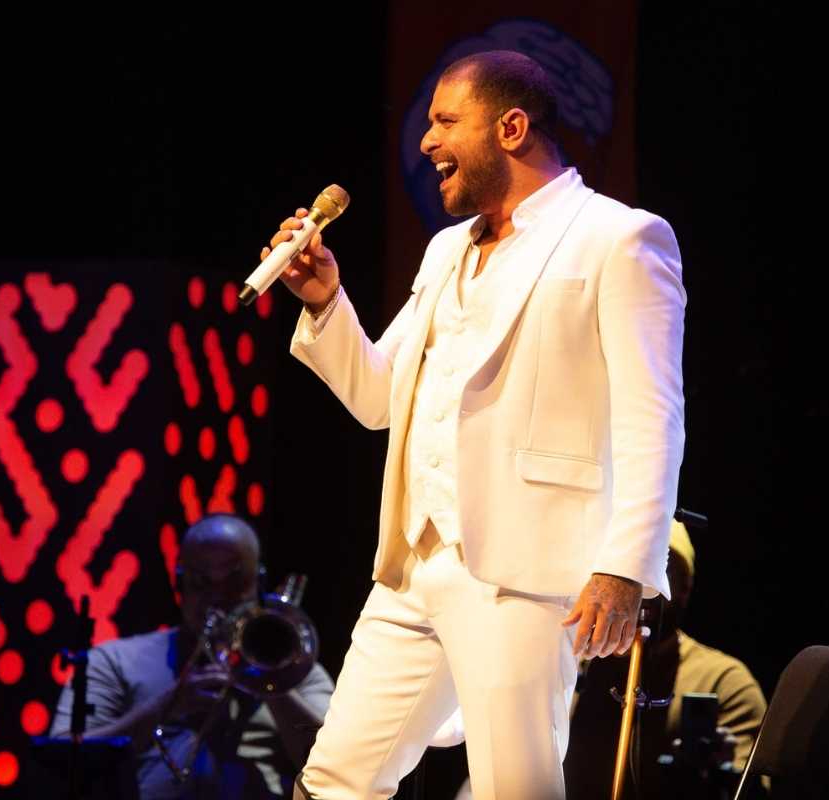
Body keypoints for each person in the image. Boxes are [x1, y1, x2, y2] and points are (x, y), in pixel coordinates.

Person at [265, 50, 686, 800]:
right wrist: (326, 302)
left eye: (446, 121)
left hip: (526, 573)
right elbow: (380, 398)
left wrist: (625, 566)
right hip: (415, 562)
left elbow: (653, 416)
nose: (427, 141)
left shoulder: (617, 238)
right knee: (335, 779)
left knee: (513, 788)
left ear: (511, 128)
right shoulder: (445, 249)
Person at [50, 514, 334, 800]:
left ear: (258, 584)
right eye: (200, 581)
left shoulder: (295, 668)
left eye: (235, 581)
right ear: (179, 585)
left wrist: (271, 683)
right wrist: (167, 706)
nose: (218, 597)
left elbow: (335, 769)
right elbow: (61, 764)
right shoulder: (114, 661)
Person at [564, 521, 768, 799]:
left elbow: (758, 787)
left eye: (660, 569)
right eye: (627, 572)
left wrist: (724, 777)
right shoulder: (570, 665)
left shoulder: (724, 681)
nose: (642, 588)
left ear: (685, 588)